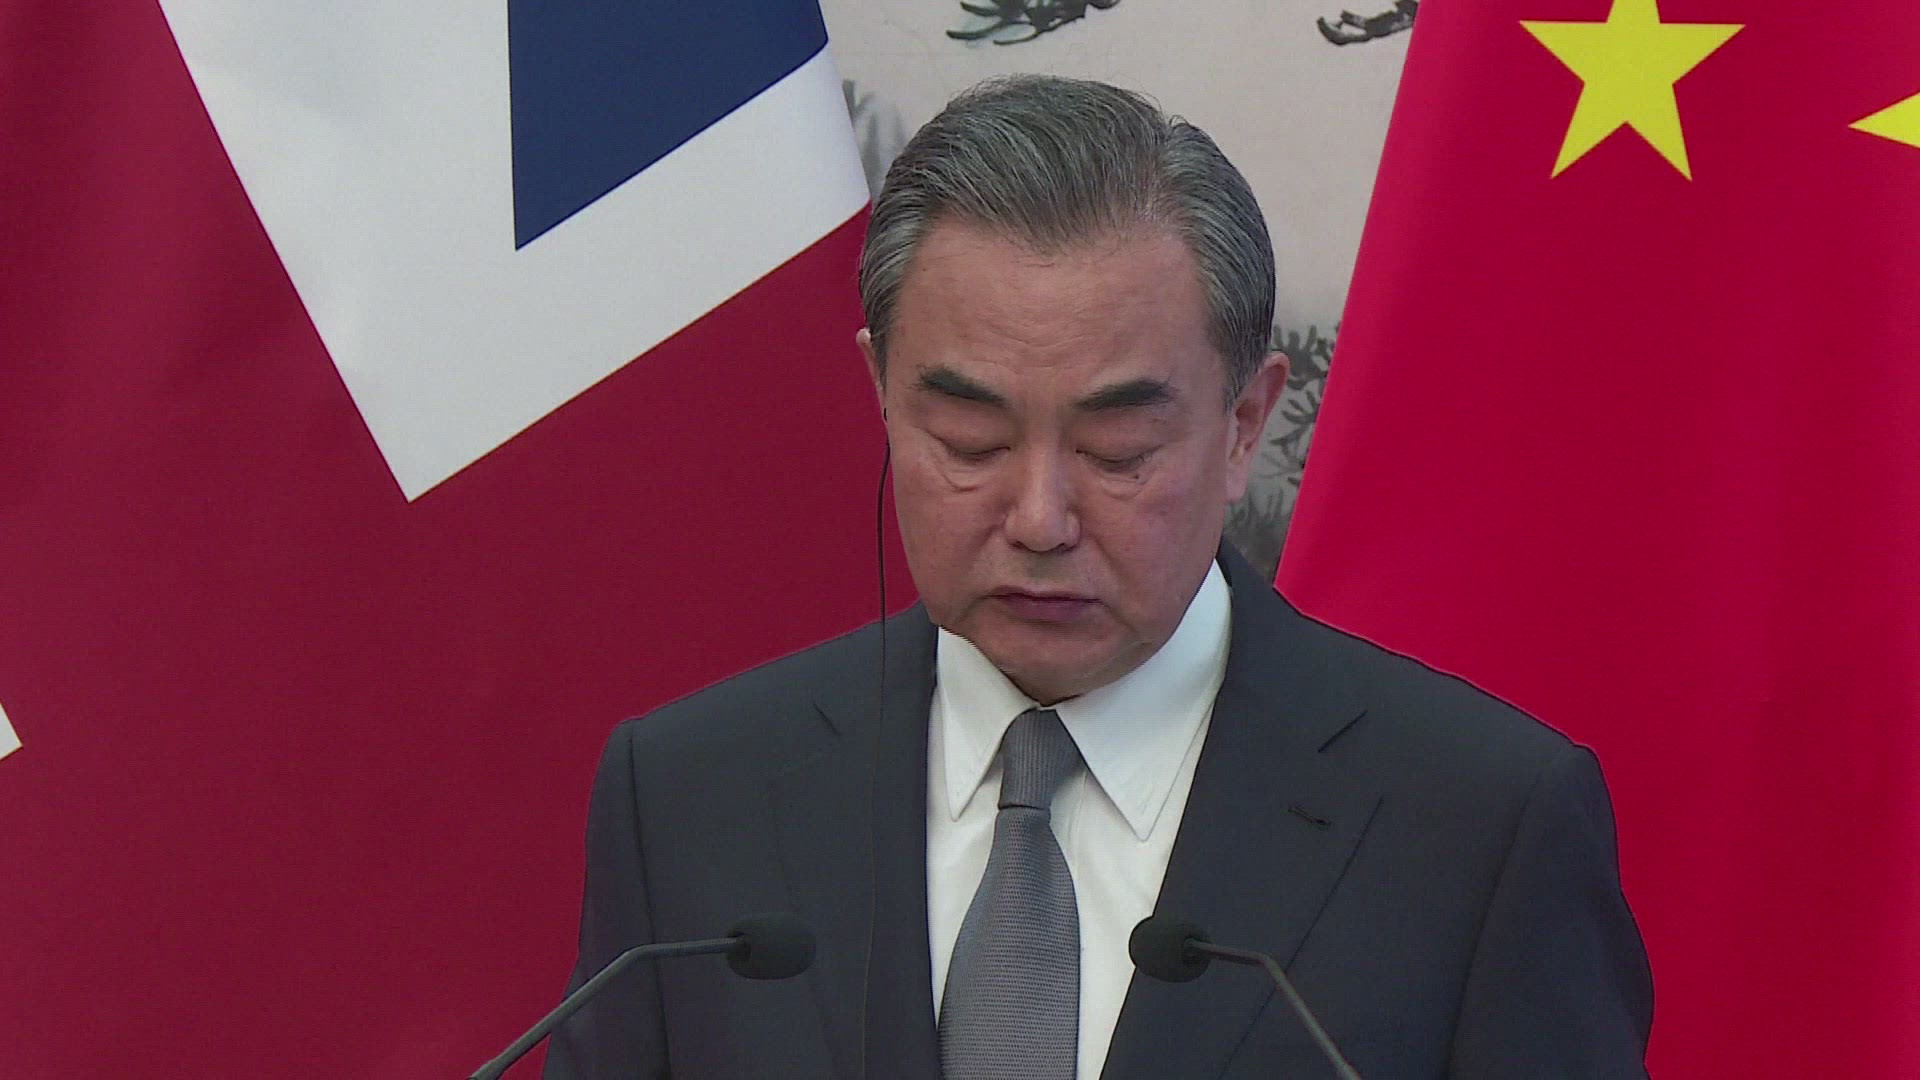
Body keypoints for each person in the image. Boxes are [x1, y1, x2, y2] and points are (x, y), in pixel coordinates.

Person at [544, 74, 1652, 1079]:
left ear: (1244, 424)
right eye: (971, 441)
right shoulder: (691, 796)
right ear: (882, 393)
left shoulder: (1476, 828)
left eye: (1119, 452)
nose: (1040, 519)